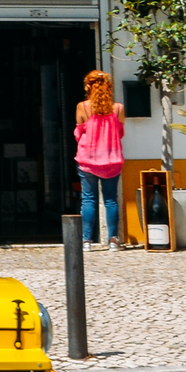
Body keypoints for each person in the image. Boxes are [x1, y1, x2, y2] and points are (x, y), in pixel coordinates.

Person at [74, 69, 125, 248]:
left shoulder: (82, 107)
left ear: (88, 86)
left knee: (88, 199)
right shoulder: (118, 108)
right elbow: (120, 132)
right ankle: (113, 240)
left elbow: (79, 133)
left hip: (88, 161)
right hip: (112, 162)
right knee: (111, 200)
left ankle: (86, 240)